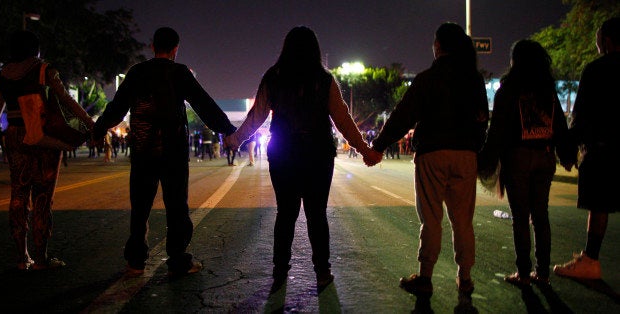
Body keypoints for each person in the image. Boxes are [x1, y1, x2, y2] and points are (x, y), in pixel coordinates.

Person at [225, 26, 379, 292]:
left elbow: (257, 115)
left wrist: (235, 140)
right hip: (318, 153)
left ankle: (279, 272)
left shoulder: (273, 77)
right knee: (316, 214)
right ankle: (322, 272)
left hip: (283, 152)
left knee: (286, 213)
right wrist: (365, 150)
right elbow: (342, 120)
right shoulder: (324, 79)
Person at [93, 27, 236, 276]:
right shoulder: (178, 72)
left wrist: (98, 128)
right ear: (175, 49)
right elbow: (204, 104)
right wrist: (228, 130)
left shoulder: (136, 73)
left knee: (140, 206)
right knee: (176, 205)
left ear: (152, 46)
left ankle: (135, 261)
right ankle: (178, 260)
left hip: (142, 150)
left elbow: (116, 108)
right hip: (173, 151)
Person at [370, 22, 489, 298]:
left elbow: (403, 116)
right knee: (463, 221)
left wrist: (377, 147)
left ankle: (425, 277)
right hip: (465, 155)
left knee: (431, 219)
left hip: (432, 155)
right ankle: (466, 277)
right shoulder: (474, 79)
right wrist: (475, 150)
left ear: (438, 47)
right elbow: (482, 119)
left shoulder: (426, 79)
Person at [0, 30, 95, 270]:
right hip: (42, 137)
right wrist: (90, 124)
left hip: (15, 136)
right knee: (42, 196)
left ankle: (21, 256)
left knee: (18, 194)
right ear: (35, 49)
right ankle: (41, 257)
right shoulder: (43, 70)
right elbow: (67, 101)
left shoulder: (4, 75)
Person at [477, 39, 576, 287]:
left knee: (520, 217)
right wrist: (566, 154)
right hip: (544, 156)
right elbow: (560, 126)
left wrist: (484, 161)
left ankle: (523, 273)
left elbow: (497, 131)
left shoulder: (508, 90)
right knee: (540, 215)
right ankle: (542, 273)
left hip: (518, 157)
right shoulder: (548, 91)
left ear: (516, 61)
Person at [553, 17, 620, 280]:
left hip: (603, 150)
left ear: (606, 41)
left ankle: (591, 259)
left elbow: (580, 116)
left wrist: (568, 151)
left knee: (599, 206)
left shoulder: (596, 70)